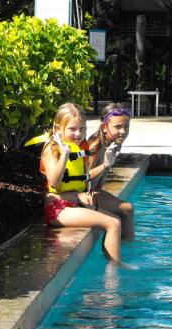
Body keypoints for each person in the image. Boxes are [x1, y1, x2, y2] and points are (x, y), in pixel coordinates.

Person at [40, 103, 122, 262]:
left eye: (82, 128)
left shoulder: (78, 148)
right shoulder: (53, 149)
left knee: (117, 219)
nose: (78, 133)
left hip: (73, 203)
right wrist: (64, 155)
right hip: (57, 209)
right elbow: (54, 183)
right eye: (72, 129)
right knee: (112, 224)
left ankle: (113, 262)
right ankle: (114, 272)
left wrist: (106, 165)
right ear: (58, 129)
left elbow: (86, 184)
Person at [78, 103, 135, 240]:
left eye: (126, 126)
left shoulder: (111, 144)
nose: (123, 131)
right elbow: (83, 181)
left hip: (92, 190)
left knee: (126, 210)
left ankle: (126, 244)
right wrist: (105, 165)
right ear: (104, 127)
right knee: (127, 209)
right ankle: (128, 247)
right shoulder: (96, 146)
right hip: (80, 194)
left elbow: (99, 185)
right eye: (118, 127)